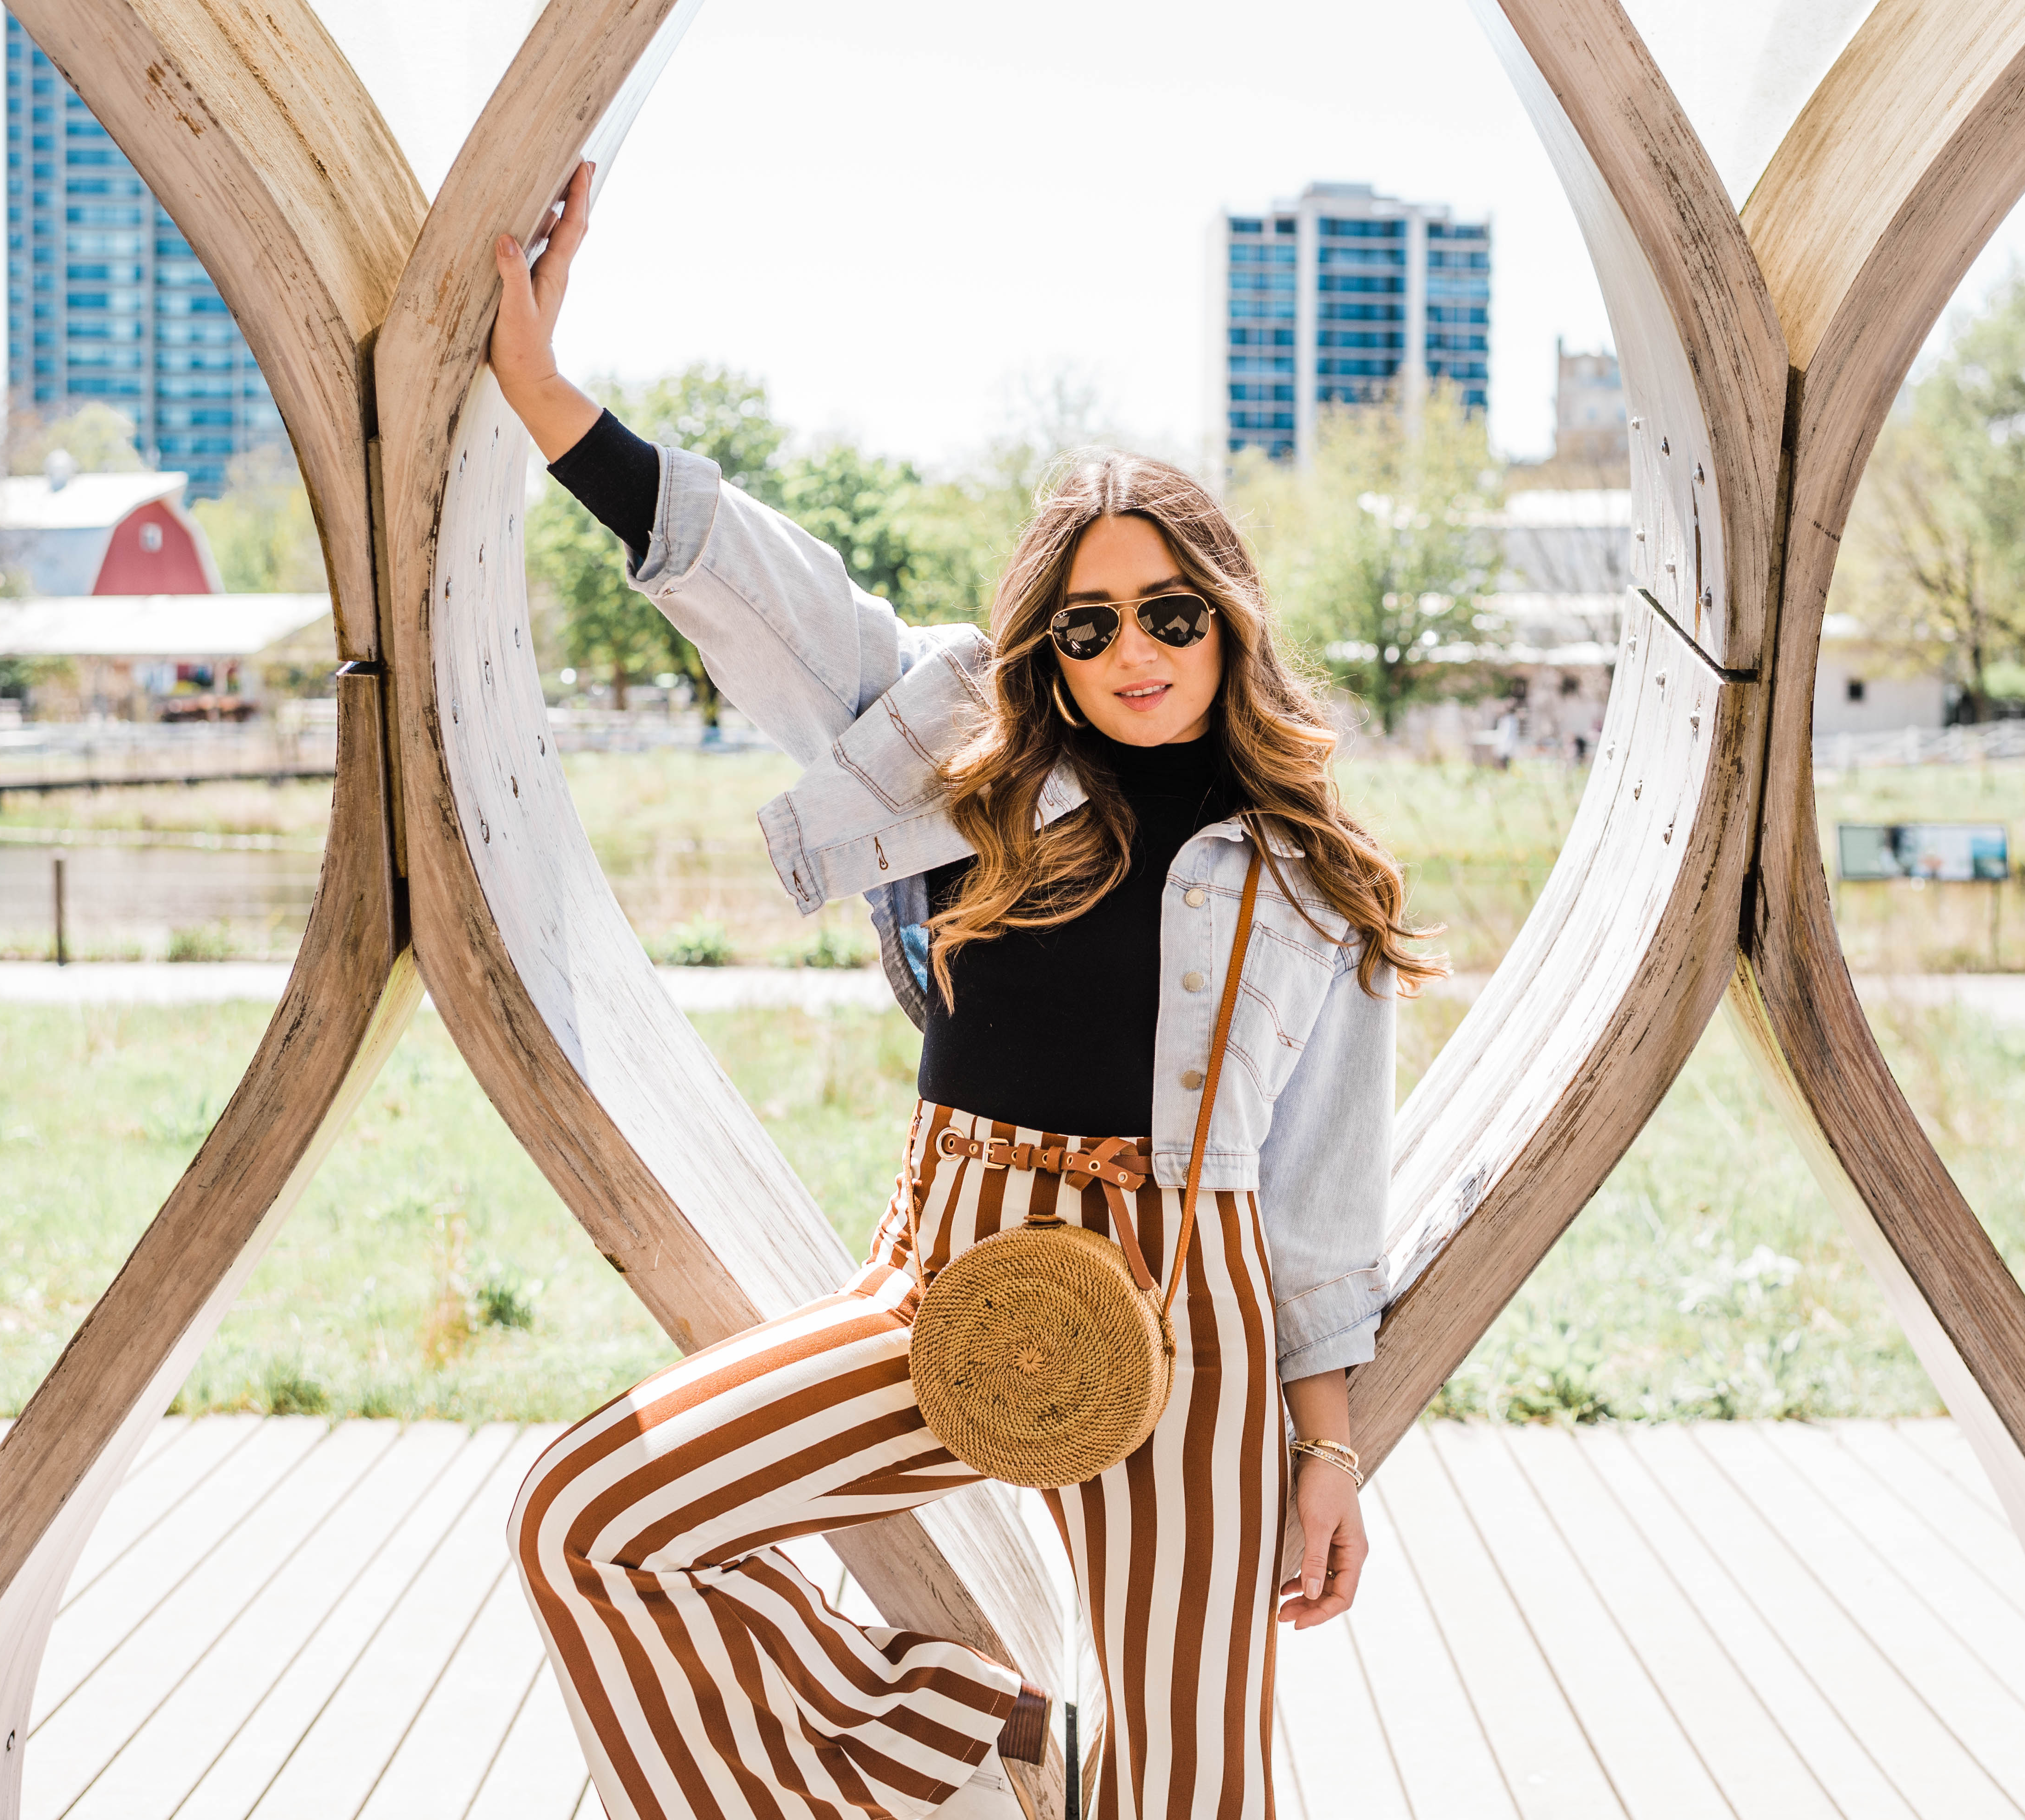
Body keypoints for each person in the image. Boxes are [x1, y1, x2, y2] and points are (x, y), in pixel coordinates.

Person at [489, 165, 1438, 1820]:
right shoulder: (965, 754)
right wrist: (553, 404)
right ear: (1047, 646)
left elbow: (1325, 1201)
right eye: (1089, 625)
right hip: (947, 1275)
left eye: (1170, 614)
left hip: (1190, 1321)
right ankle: (965, 1740)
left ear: (1226, 620)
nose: (1133, 652)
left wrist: (1329, 1449)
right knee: (591, 1514)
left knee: (1191, 1785)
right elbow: (765, 593)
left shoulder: (1312, 879)